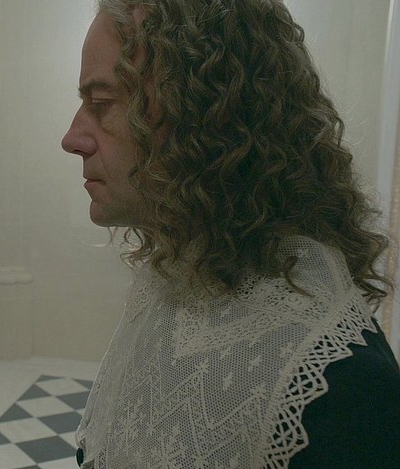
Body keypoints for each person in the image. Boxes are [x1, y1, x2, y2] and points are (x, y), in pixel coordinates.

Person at [61, 0, 400, 467]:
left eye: (101, 104)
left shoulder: (341, 382)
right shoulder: (176, 276)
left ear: (205, 115)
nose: (72, 138)